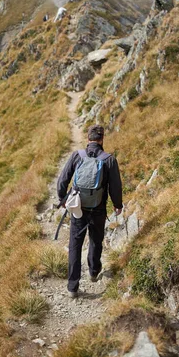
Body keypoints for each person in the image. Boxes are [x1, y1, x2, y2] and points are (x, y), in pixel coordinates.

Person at [57, 125, 123, 298]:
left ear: (88, 139)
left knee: (75, 244)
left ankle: (72, 287)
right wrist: (118, 204)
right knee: (95, 240)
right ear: (101, 140)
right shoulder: (109, 159)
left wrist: (62, 198)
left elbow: (63, 179)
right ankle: (93, 271)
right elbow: (115, 186)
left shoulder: (77, 156)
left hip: (78, 206)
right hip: (98, 207)